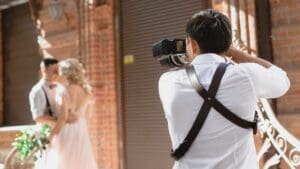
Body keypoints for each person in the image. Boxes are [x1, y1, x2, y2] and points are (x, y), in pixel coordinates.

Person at [158, 9, 290, 169]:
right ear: (227, 44)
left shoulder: (168, 82)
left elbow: (194, 72)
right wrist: (238, 55)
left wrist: (191, 55)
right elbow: (282, 79)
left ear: (192, 44)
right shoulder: (246, 76)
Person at [34, 58, 98, 169]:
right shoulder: (86, 90)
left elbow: (64, 117)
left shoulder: (66, 91)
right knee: (79, 162)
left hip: (68, 129)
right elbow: (88, 115)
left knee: (64, 162)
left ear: (66, 73)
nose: (57, 74)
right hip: (81, 128)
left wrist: (51, 136)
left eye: (59, 71)